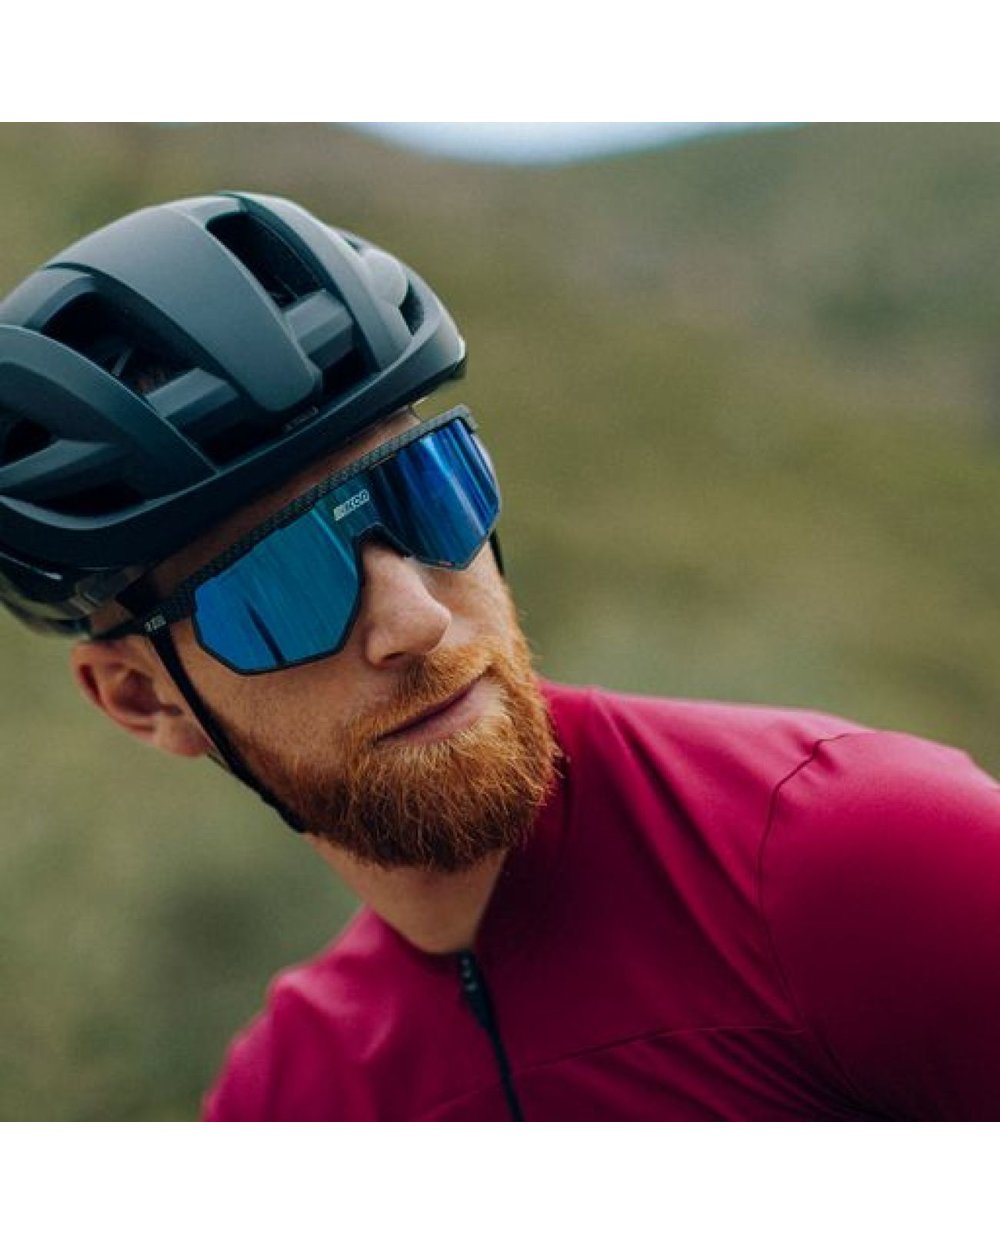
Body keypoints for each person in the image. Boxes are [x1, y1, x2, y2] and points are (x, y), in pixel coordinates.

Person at [2, 191, 999, 1122]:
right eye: (282, 588)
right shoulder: (289, 1102)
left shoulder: (872, 866)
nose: (415, 621)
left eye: (428, 494)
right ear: (142, 698)